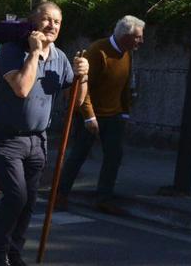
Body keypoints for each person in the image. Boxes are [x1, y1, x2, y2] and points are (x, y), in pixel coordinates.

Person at [0, 2, 89, 266]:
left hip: (38, 140)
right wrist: (34, 53)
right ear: (33, 21)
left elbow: (75, 102)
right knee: (16, 195)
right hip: (8, 138)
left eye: (57, 22)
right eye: (46, 20)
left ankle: (14, 251)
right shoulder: (12, 51)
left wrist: (83, 77)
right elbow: (21, 88)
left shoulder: (61, 58)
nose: (52, 26)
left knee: (29, 200)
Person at [57, 15, 145, 212]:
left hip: (114, 115)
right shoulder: (98, 51)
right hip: (90, 114)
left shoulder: (128, 53)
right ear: (125, 36)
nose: (141, 41)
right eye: (138, 37)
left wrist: (125, 113)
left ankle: (104, 197)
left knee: (114, 156)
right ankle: (60, 193)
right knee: (79, 154)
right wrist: (89, 116)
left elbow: (124, 85)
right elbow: (83, 85)